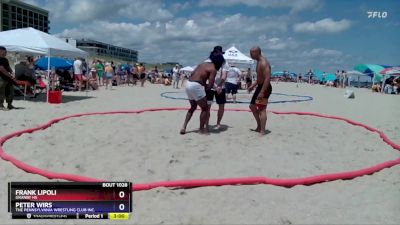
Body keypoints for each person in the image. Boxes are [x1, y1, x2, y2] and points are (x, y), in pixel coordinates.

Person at [180, 53, 225, 135]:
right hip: (196, 86)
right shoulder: (213, 69)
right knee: (205, 108)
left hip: (188, 84)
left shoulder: (202, 64)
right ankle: (201, 130)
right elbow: (210, 85)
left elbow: (193, 75)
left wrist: (205, 86)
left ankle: (184, 126)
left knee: (193, 107)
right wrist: (215, 89)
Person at [248, 46, 272, 136]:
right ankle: (259, 125)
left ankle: (262, 130)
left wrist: (262, 91)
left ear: (257, 52)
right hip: (260, 87)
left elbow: (267, 78)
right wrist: (253, 86)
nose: (250, 54)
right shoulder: (257, 62)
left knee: (262, 109)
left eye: (252, 53)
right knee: (252, 106)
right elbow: (260, 78)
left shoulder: (263, 62)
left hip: (265, 88)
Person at [205, 46, 228, 130]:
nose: (220, 54)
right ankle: (206, 124)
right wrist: (214, 86)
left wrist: (219, 86)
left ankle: (218, 123)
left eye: (221, 53)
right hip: (209, 86)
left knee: (221, 106)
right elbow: (206, 75)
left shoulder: (224, 62)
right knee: (208, 106)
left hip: (220, 86)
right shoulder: (208, 61)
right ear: (214, 53)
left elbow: (224, 74)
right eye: (218, 53)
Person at [0, 46, 17, 110]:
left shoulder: (5, 59)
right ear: (0, 51)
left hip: (8, 78)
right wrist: (10, 75)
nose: (6, 53)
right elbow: (1, 69)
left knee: (10, 91)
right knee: (1, 92)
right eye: (5, 52)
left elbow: (8, 67)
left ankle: (9, 104)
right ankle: (1, 105)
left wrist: (12, 73)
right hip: (1, 78)